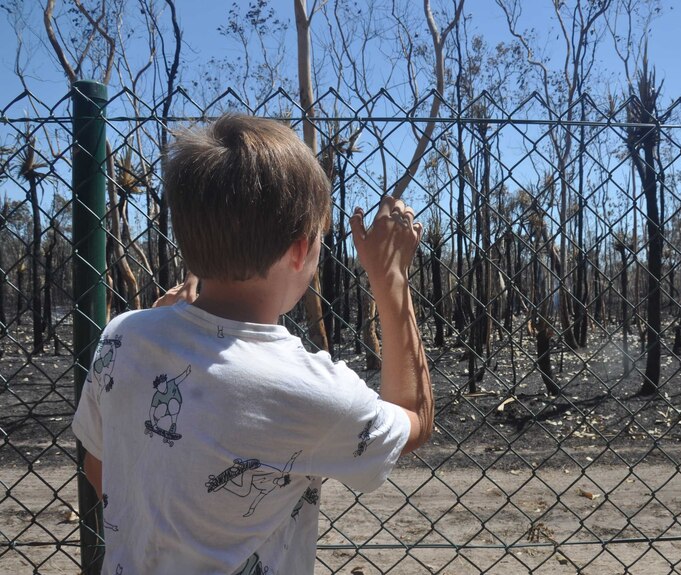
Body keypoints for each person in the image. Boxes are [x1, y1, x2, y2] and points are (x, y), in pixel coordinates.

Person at [72, 114, 433, 575]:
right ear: (301, 250)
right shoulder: (307, 388)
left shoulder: (124, 336)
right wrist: (393, 280)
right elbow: (416, 422)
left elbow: (98, 468)